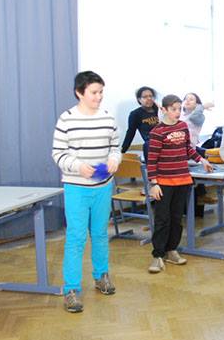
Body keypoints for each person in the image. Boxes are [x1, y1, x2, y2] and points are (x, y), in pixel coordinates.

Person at [52, 71, 122, 313]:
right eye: (94, 92)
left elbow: (115, 147)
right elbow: (58, 153)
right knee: (76, 237)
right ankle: (71, 289)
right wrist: (78, 166)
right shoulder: (66, 119)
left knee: (100, 234)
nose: (99, 96)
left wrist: (114, 159)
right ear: (79, 93)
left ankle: (101, 276)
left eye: (101, 92)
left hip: (103, 187)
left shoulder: (108, 118)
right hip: (76, 188)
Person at [146, 94, 213, 273]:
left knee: (177, 218)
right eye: (173, 109)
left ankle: (171, 250)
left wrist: (201, 160)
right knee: (162, 219)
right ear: (164, 110)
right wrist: (154, 183)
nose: (177, 112)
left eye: (179, 109)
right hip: (164, 182)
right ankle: (157, 255)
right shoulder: (157, 132)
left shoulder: (183, 126)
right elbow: (152, 160)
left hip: (182, 179)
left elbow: (187, 149)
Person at [120, 86, 159, 155]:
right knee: (147, 145)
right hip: (151, 145)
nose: (149, 98)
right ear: (139, 99)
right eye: (145, 97)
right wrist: (122, 151)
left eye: (151, 96)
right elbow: (130, 133)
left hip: (166, 142)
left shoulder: (160, 110)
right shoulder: (136, 114)